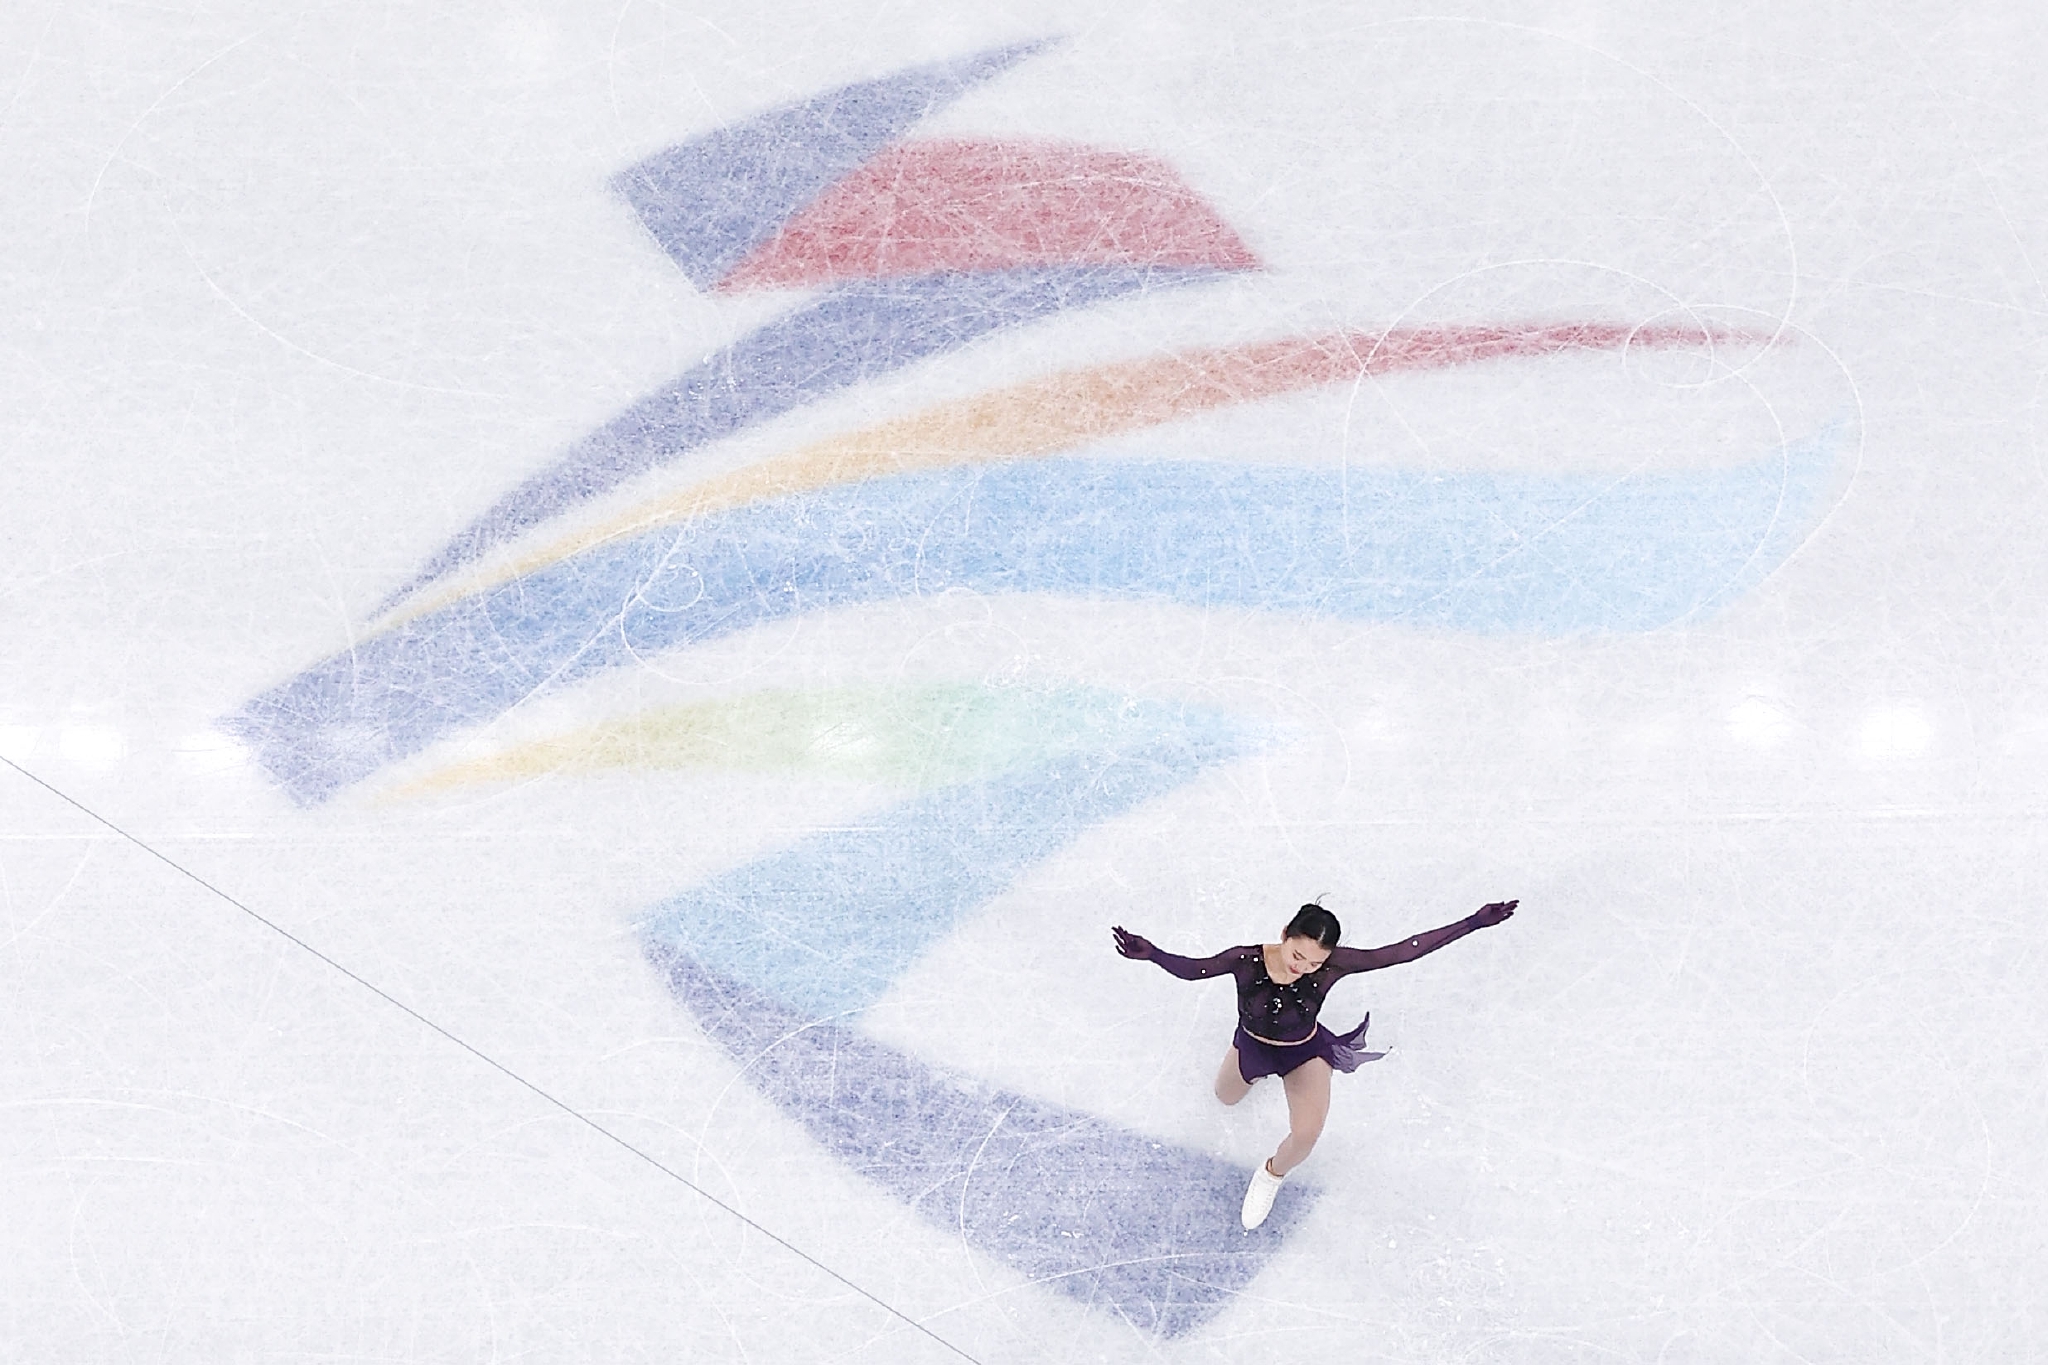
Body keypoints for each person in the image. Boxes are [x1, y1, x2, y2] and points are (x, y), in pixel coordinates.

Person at [1112, 898, 1516, 1228]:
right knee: (1225, 1098)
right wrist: (1154, 955)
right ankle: (1251, 1075)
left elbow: (1399, 953)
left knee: (1305, 1135)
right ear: (1285, 934)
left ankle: (1271, 1174)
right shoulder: (1246, 960)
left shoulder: (1335, 965)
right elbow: (1195, 970)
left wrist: (1473, 923)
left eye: (1313, 963)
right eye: (1297, 955)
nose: (1302, 967)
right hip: (1252, 1045)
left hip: (1302, 1053)